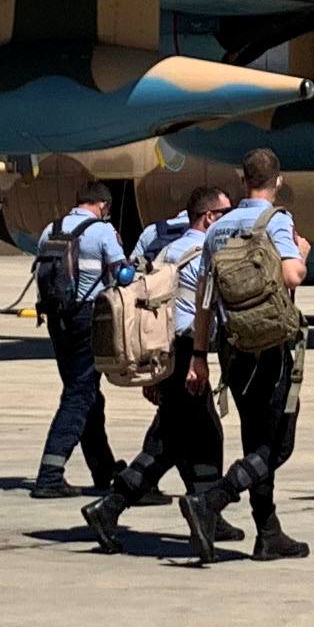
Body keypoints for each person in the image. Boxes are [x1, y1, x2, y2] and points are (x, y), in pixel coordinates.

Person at [82, 186, 234, 553]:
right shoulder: (203, 253)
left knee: (187, 436)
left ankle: (207, 514)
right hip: (186, 353)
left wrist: (153, 369)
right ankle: (113, 506)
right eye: (225, 213)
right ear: (209, 217)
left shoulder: (166, 251)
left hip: (165, 353)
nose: (230, 219)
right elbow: (209, 308)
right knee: (183, 440)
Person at [179, 149, 313, 563]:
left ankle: (268, 533)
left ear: (241, 181)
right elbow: (293, 275)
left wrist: (198, 356)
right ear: (278, 180)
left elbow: (204, 299)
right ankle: (212, 501)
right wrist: (302, 252)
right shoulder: (277, 220)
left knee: (255, 438)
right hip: (273, 349)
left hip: (233, 350)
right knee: (276, 446)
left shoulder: (218, 229)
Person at [33, 183, 128, 498]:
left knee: (87, 393)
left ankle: (102, 467)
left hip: (57, 319)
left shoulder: (51, 228)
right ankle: (50, 474)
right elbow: (121, 275)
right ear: (102, 204)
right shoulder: (102, 231)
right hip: (88, 318)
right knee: (79, 395)